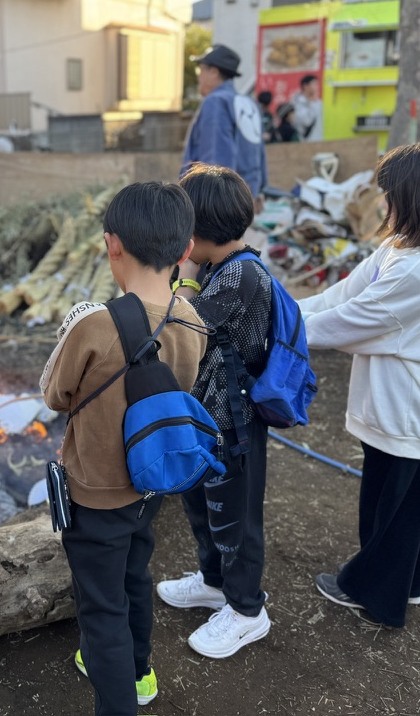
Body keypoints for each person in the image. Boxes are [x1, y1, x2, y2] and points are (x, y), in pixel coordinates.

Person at [41, 181, 207, 715]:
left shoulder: (93, 323)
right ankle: (140, 674)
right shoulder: (192, 319)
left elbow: (54, 395)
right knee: (136, 573)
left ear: (112, 245)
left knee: (101, 606)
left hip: (97, 493)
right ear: (185, 251)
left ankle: (118, 698)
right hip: (151, 481)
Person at [299, 139, 420, 627]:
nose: (384, 203)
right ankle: (406, 583)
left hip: (411, 409)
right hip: (398, 404)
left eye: (391, 194)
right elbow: (341, 295)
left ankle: (374, 593)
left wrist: (270, 326)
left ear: (419, 197)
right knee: (400, 506)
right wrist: (283, 308)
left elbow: (348, 322)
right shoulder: (403, 247)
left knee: (392, 512)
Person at [156, 164, 273, 659]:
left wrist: (176, 281)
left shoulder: (241, 274)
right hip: (207, 419)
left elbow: (182, 325)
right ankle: (212, 582)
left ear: (198, 231)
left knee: (236, 519)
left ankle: (248, 610)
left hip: (235, 425)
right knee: (202, 506)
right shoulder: (217, 268)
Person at [180, 44, 268, 200]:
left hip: (220, 204)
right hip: (245, 199)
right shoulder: (248, 103)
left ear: (214, 72)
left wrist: (212, 203)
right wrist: (259, 191)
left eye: (200, 70)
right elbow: (259, 154)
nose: (199, 76)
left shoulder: (216, 102)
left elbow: (216, 158)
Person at [289, 74, 323, 141]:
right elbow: (307, 121)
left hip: (319, 139)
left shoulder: (319, 102)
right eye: (314, 84)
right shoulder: (297, 102)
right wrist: (312, 103)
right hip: (303, 141)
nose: (316, 87)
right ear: (305, 86)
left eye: (317, 84)